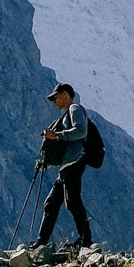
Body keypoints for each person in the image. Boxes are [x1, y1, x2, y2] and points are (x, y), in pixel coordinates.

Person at [34, 82, 93, 248]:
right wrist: (46, 163)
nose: (54, 102)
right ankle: (41, 242)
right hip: (67, 166)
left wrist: (56, 136)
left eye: (56, 97)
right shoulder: (68, 114)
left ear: (65, 95)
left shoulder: (75, 109)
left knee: (72, 201)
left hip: (74, 163)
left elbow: (81, 131)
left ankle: (86, 240)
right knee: (52, 203)